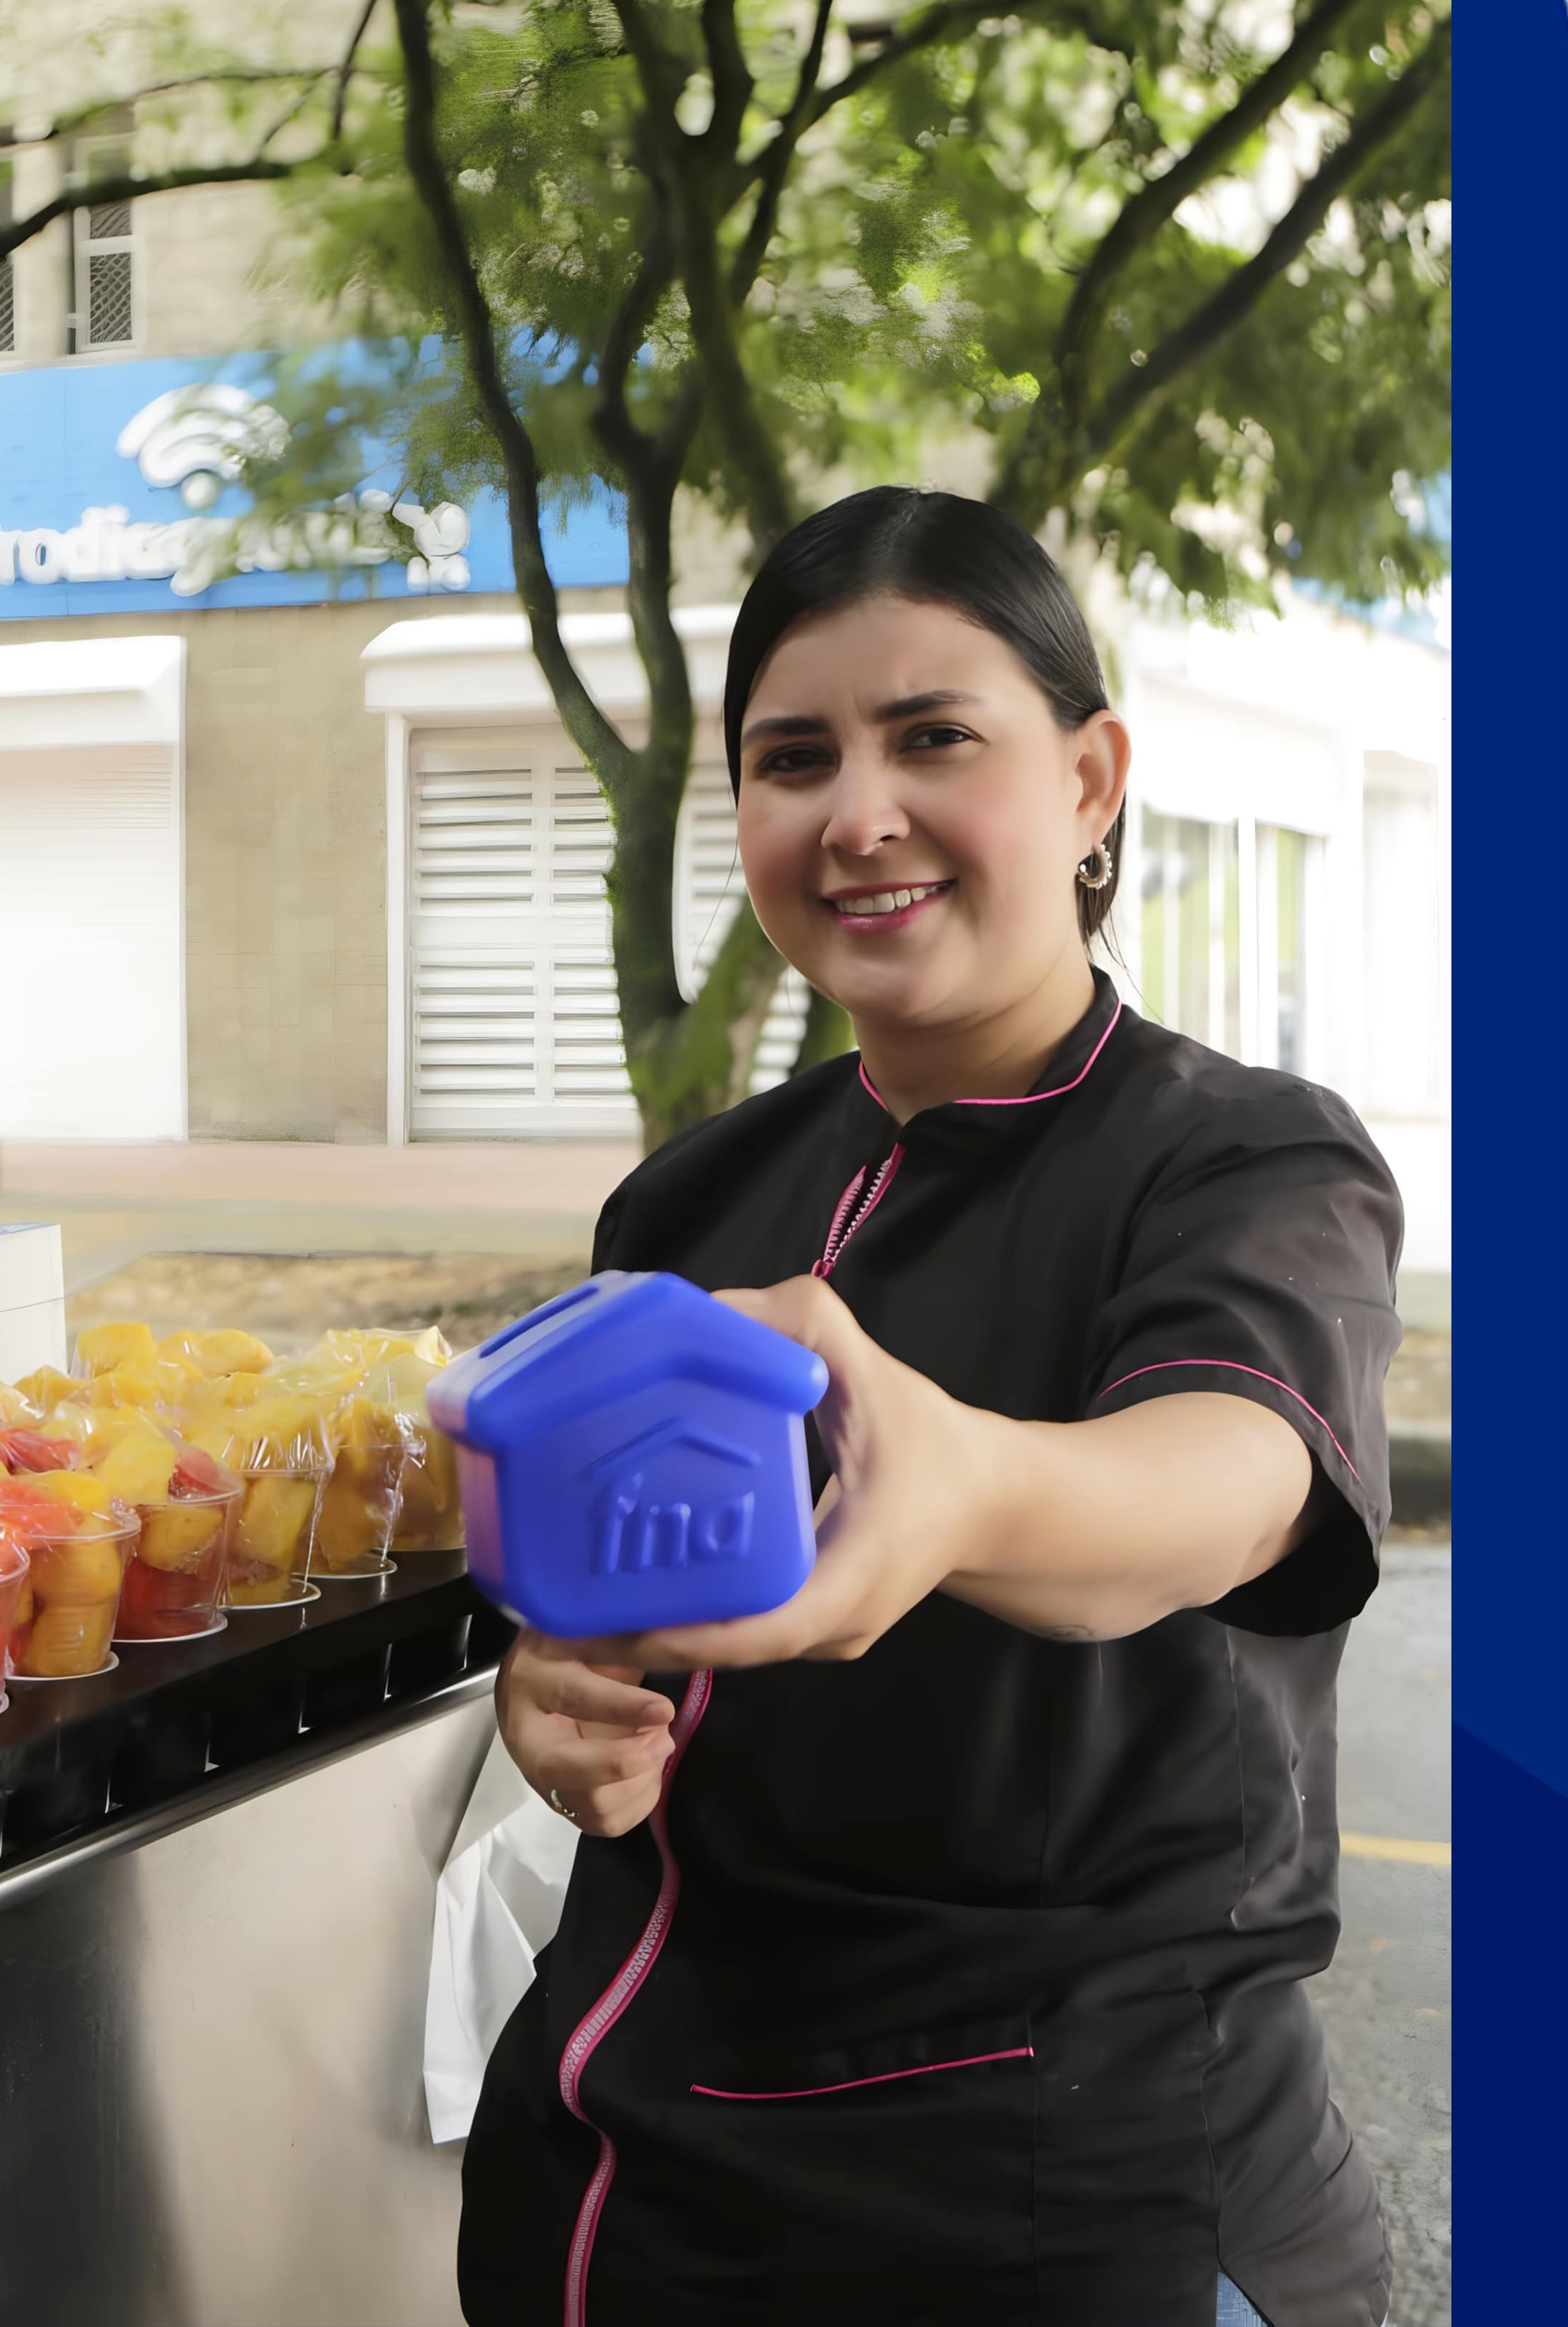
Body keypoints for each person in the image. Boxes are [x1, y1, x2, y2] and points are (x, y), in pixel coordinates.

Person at [456, 487, 1403, 2327]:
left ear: (1088, 779)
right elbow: (605, 1616)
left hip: (1049, 2200)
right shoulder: (682, 1209)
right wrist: (554, 1693)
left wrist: (960, 1489)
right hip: (628, 2179)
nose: (857, 813)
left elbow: (1227, 1479)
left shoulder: (1246, 1160)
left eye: (934, 738)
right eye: (791, 756)